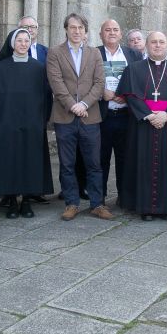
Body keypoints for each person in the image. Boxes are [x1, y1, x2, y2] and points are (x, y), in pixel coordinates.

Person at [117, 31, 167, 220]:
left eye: (161, 42)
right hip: (143, 124)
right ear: (147, 45)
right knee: (142, 163)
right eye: (153, 42)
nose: (157, 45)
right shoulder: (134, 69)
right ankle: (145, 208)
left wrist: (166, 115)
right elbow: (131, 96)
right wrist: (149, 115)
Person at [47, 13, 114, 221]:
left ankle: (97, 204)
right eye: (73, 27)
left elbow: (99, 83)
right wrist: (73, 105)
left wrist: (84, 104)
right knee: (67, 163)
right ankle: (72, 203)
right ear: (66, 29)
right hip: (64, 115)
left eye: (81, 28)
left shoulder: (94, 54)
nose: (77, 32)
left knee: (94, 163)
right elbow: (56, 83)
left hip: (90, 115)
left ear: (86, 31)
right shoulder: (55, 53)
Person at [0, 29, 53, 218]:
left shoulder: (38, 67)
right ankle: (12, 200)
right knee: (10, 160)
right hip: (8, 121)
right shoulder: (2, 67)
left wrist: (42, 118)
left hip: (32, 121)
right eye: (19, 40)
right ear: (12, 44)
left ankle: (27, 200)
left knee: (30, 160)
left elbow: (45, 95)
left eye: (26, 40)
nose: (23, 44)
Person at [97, 19, 142, 202]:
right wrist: (101, 92)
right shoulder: (94, 53)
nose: (112, 33)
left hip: (126, 115)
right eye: (108, 30)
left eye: (115, 29)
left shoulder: (133, 54)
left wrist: (128, 96)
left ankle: (124, 197)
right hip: (102, 115)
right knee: (100, 159)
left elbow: (140, 81)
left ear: (121, 34)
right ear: (101, 34)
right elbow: (83, 79)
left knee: (125, 158)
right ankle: (98, 199)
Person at [19, 15, 52, 205]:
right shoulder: (12, 51)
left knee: (38, 150)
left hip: (40, 106)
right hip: (20, 110)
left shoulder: (45, 52)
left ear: (38, 30)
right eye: (25, 27)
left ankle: (36, 188)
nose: (30, 30)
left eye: (33, 27)